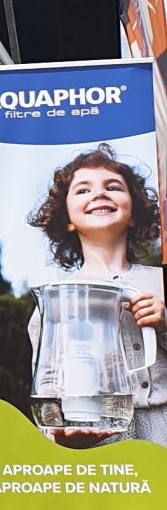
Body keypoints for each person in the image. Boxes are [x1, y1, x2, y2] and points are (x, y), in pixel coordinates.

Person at [28, 146, 167, 444]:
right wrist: (58, 432)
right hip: (99, 430)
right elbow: (48, 380)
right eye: (83, 190)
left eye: (113, 187)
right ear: (68, 219)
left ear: (133, 215)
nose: (100, 193)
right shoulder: (57, 300)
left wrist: (164, 324)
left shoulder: (161, 280)